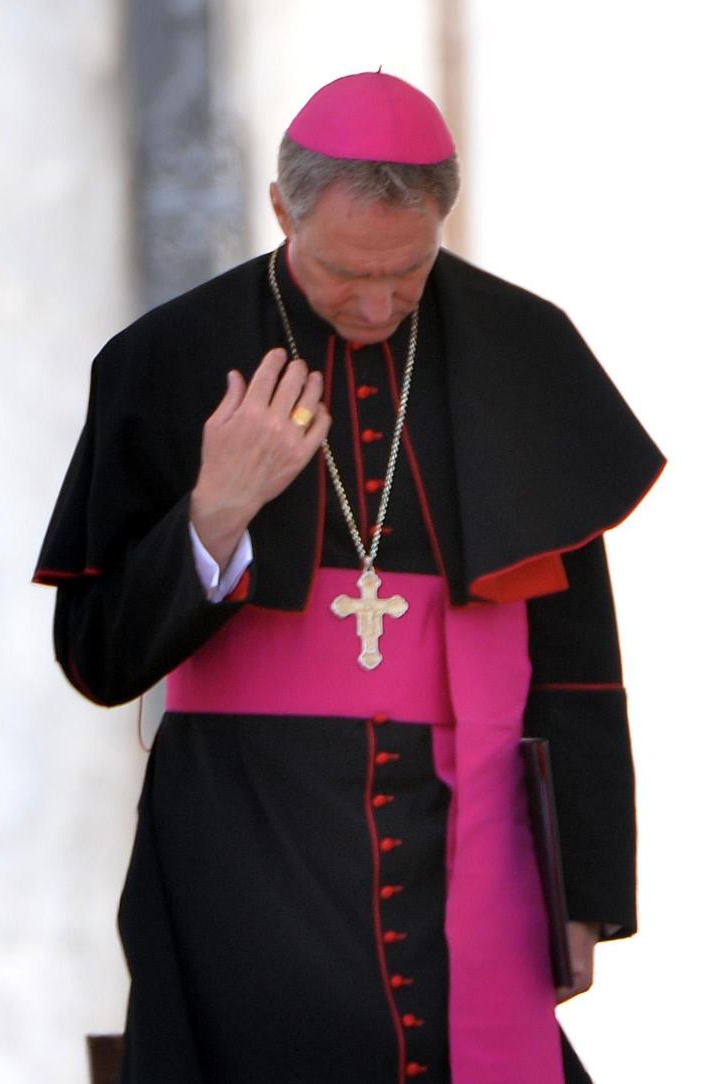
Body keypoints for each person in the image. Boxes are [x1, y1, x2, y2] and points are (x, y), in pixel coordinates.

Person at [34, 71, 663, 1084]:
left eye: (407, 274)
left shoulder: (524, 352)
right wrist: (217, 509)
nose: (375, 305)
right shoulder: (166, 358)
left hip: (464, 831)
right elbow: (97, 658)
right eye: (342, 274)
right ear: (282, 212)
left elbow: (579, 656)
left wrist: (582, 889)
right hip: (244, 840)